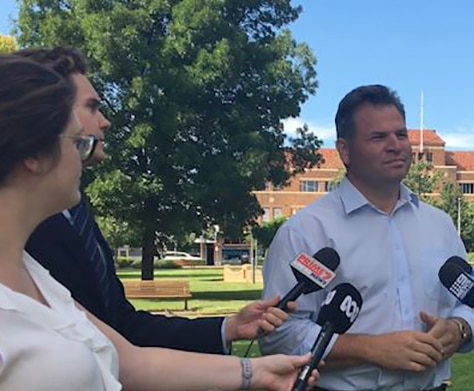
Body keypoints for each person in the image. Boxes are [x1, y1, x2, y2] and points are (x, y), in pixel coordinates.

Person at [0, 55, 318, 391]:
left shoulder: (36, 277)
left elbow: (132, 361)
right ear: (33, 155)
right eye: (74, 140)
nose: (87, 148)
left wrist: (256, 371)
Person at [260, 84, 474, 391]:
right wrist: (369, 349)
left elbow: (469, 307)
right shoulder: (307, 231)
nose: (396, 145)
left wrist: (458, 331)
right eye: (378, 136)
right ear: (344, 150)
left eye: (401, 133)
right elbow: (278, 334)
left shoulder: (439, 225)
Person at [17, 46, 284, 354]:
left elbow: (119, 328)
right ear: (45, 115)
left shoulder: (74, 208)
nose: (105, 122)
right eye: (92, 107)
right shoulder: (24, 225)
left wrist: (227, 328)